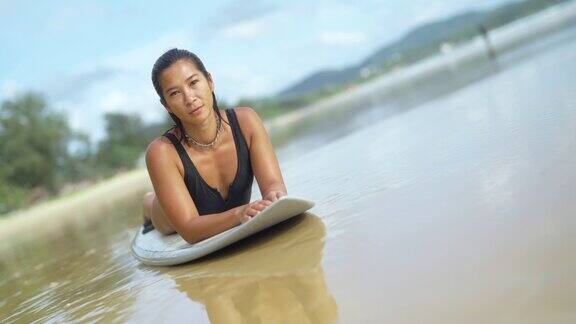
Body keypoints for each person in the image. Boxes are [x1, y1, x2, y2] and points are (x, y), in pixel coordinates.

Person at [141, 48, 287, 244]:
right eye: (175, 93)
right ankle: (147, 202)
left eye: (193, 83)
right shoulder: (162, 152)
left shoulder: (246, 122)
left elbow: (273, 185)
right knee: (155, 206)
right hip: (167, 218)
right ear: (166, 105)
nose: (189, 98)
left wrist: (274, 197)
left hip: (231, 214)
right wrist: (239, 214)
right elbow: (189, 230)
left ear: (210, 81)